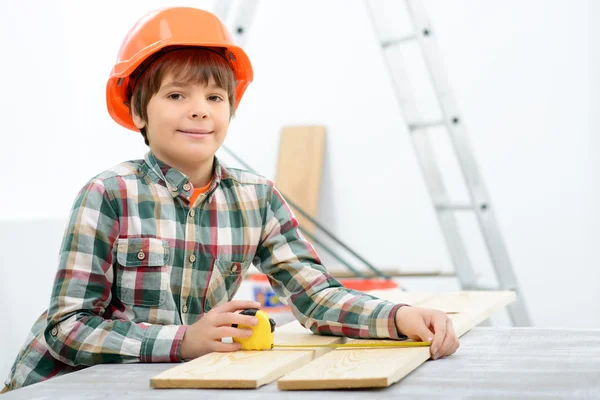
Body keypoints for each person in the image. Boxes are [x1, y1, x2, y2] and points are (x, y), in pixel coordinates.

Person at [2, 6, 459, 393]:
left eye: (215, 96)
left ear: (230, 110)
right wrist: (183, 340)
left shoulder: (255, 198)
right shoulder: (108, 194)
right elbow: (68, 329)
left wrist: (397, 317)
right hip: (61, 386)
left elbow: (316, 297)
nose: (200, 108)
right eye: (177, 94)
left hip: (163, 383)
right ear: (139, 110)